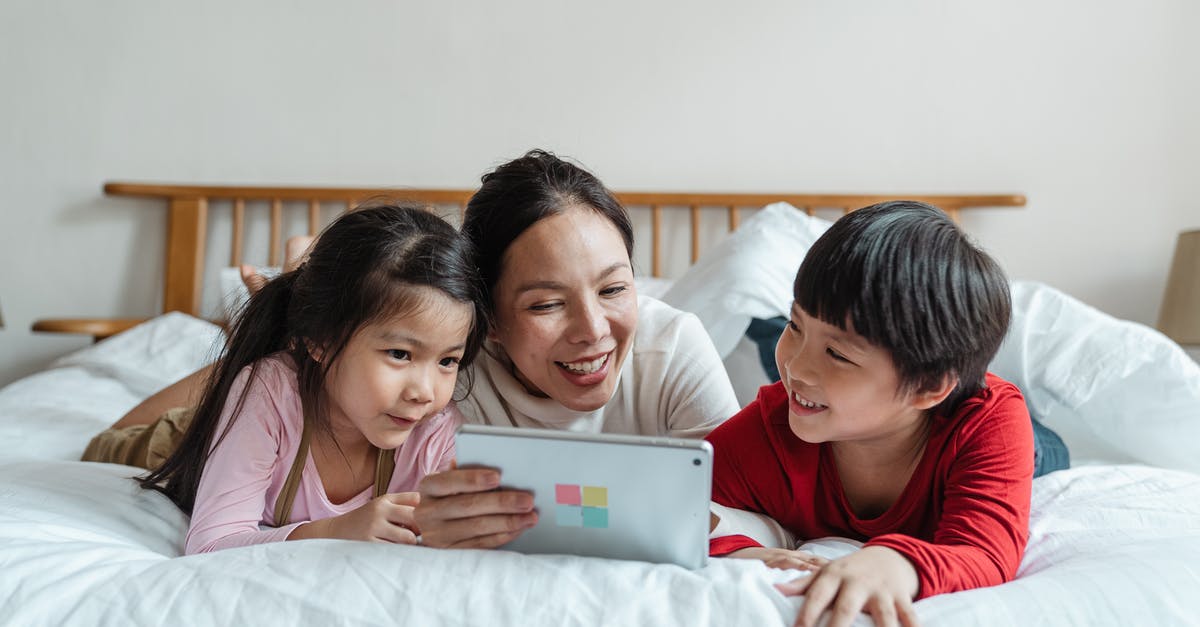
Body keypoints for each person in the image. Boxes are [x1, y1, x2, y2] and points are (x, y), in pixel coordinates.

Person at [101, 149, 741, 551]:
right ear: (493, 324)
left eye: (614, 288)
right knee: (150, 430)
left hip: (334, 386)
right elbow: (214, 537)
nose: (593, 330)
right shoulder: (452, 363)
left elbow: (740, 497)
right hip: (228, 425)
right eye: (545, 304)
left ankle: (302, 288)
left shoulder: (439, 403)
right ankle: (286, 314)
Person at [706, 201, 1033, 627]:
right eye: (795, 324)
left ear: (929, 386)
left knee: (1045, 446)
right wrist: (744, 551)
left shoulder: (988, 424)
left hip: (995, 430)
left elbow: (983, 552)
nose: (796, 367)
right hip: (868, 406)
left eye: (838, 354)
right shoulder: (770, 430)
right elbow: (671, 509)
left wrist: (897, 564)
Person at [109, 205, 488, 554]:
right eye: (399, 354)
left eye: (448, 361)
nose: (424, 393)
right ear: (321, 340)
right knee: (114, 439)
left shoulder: (437, 426)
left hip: (311, 379)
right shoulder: (268, 391)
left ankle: (294, 291)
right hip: (185, 435)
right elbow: (212, 542)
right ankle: (250, 354)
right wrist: (337, 529)